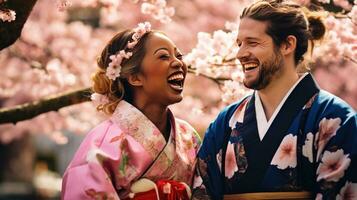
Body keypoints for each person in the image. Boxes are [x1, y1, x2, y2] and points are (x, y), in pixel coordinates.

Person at [194, 0, 357, 199]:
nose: (240, 54)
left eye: (252, 43)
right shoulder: (225, 123)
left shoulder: (333, 119)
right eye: (239, 44)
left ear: (288, 45)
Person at [61, 22, 201, 200]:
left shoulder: (189, 137)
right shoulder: (102, 144)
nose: (178, 63)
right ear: (135, 77)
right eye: (164, 56)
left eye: (179, 55)